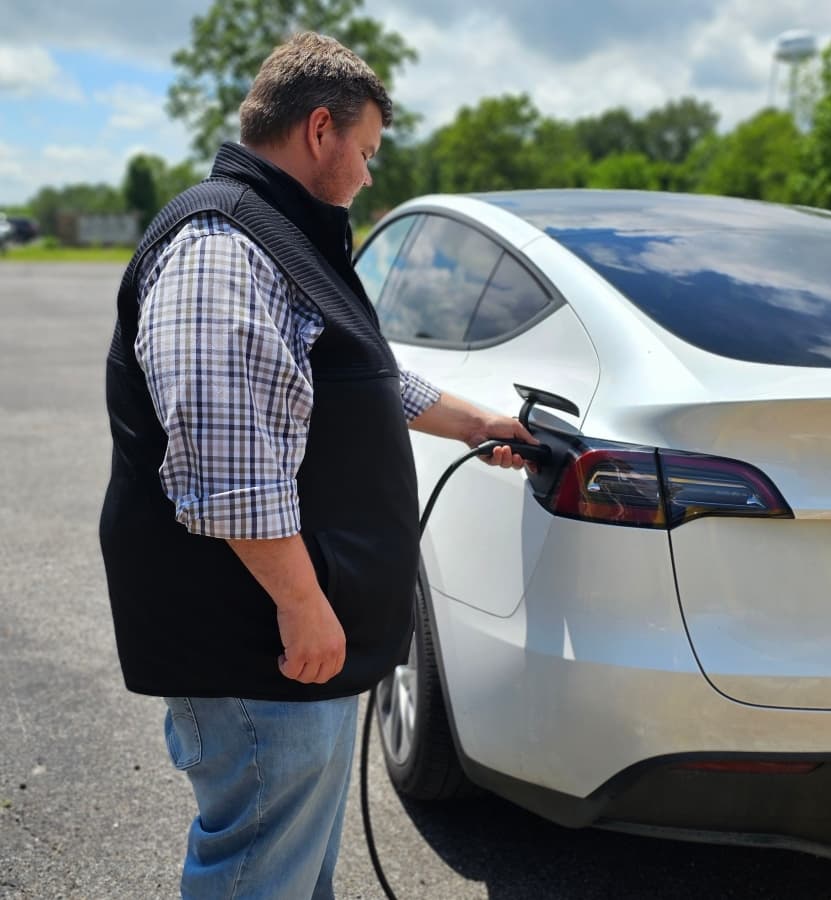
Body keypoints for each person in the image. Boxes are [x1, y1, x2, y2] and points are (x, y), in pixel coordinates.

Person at [99, 31, 535, 900]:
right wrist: (303, 605)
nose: (371, 174)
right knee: (259, 872)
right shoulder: (220, 244)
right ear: (321, 128)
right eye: (367, 152)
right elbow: (225, 459)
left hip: (289, 643)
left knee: (290, 870)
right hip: (257, 645)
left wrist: (474, 421)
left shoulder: (284, 238)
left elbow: (357, 374)